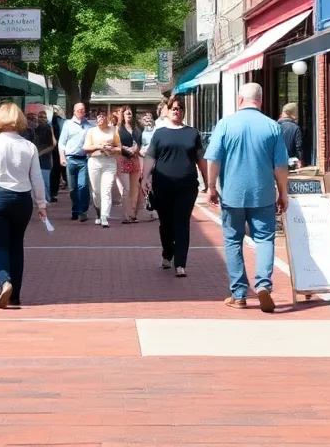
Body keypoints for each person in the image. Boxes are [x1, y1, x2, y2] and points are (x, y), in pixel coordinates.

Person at [205, 83, 288, 313]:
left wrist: (211, 187)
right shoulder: (273, 126)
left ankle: (239, 294)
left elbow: (213, 160)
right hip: (263, 194)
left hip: (232, 194)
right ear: (260, 100)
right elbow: (280, 165)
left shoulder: (225, 124)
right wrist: (283, 192)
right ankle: (263, 285)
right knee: (265, 239)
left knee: (233, 241)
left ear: (240, 99)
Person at [0, 103, 47, 309]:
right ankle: (16, 295)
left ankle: (5, 281)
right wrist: (41, 203)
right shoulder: (29, 146)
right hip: (22, 199)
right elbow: (37, 178)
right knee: (16, 245)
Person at [144, 95, 205, 276]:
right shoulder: (160, 133)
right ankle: (167, 253)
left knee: (182, 222)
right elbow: (150, 157)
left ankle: (180, 263)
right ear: (168, 111)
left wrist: (209, 181)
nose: (177, 111)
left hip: (186, 185)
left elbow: (200, 158)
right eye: (174, 109)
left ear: (184, 112)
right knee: (166, 223)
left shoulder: (192, 133)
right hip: (163, 184)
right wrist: (145, 177)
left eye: (180, 108)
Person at [84, 110, 121, 227]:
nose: (100, 118)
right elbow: (86, 148)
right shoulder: (91, 131)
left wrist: (111, 149)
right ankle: (98, 212)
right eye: (98, 116)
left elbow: (119, 148)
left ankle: (105, 216)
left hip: (109, 162)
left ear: (106, 118)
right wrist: (99, 147)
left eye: (102, 116)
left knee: (106, 190)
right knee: (96, 191)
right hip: (94, 161)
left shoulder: (113, 131)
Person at [58, 103, 93, 221]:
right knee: (72, 188)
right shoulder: (67, 124)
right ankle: (75, 209)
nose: (81, 112)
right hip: (70, 159)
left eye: (83, 110)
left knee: (83, 186)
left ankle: (83, 211)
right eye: (78, 110)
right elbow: (61, 143)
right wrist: (62, 157)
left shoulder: (89, 126)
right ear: (74, 111)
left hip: (83, 160)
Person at [116, 106, 143, 224]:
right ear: (123, 116)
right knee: (126, 189)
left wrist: (136, 149)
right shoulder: (118, 129)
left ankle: (133, 214)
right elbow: (116, 144)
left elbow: (140, 143)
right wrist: (124, 149)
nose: (129, 115)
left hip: (135, 160)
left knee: (134, 189)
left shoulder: (137, 129)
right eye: (127, 114)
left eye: (130, 114)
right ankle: (126, 215)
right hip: (123, 160)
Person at [33, 109, 57, 199]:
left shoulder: (48, 128)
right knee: (38, 181)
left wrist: (41, 153)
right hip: (37, 159)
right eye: (40, 117)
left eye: (44, 117)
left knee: (45, 182)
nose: (42, 119)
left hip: (46, 159)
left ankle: (47, 199)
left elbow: (53, 145)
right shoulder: (35, 130)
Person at [48, 106, 66, 202]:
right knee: (58, 169)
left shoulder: (50, 122)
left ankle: (52, 192)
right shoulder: (62, 121)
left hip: (53, 148)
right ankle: (54, 191)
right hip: (60, 147)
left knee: (54, 170)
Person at [278, 102, 304, 167]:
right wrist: (300, 160)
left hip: (277, 162)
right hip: (291, 162)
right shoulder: (295, 127)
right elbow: (299, 147)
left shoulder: (275, 125)